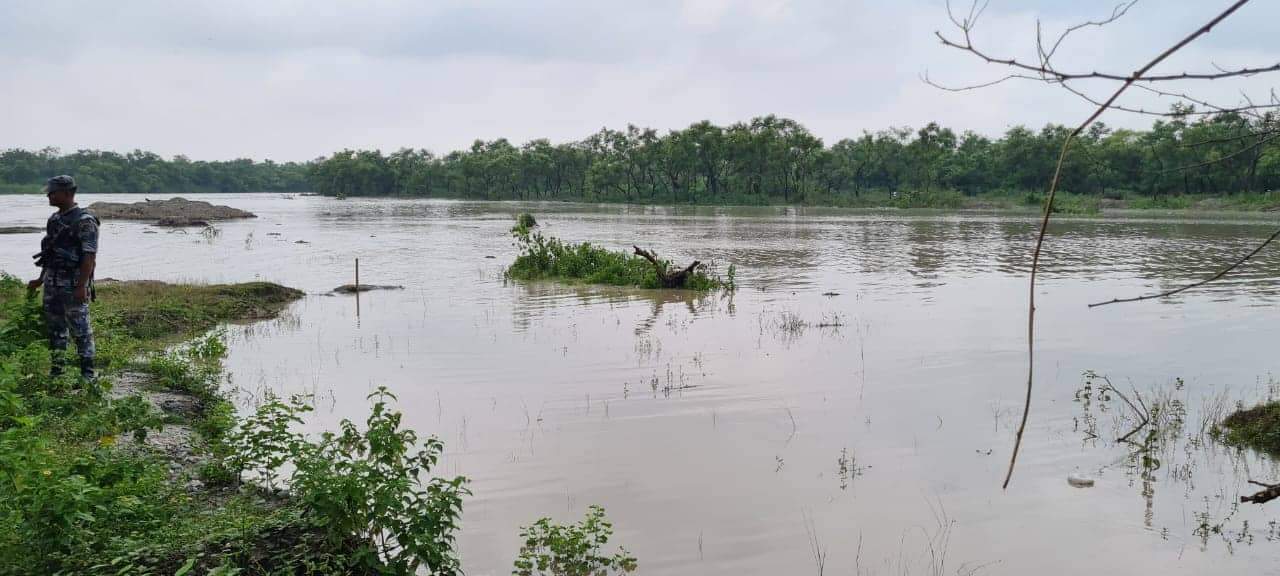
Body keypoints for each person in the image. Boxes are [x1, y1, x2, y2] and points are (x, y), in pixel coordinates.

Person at [27, 175, 99, 380]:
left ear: (67, 193)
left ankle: (88, 376)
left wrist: (81, 286)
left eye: (52, 192)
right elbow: (49, 253)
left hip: (73, 283)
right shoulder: (54, 220)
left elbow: (89, 256)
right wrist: (40, 279)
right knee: (56, 329)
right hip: (52, 283)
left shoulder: (85, 221)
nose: (48, 196)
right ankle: (57, 372)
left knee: (81, 330)